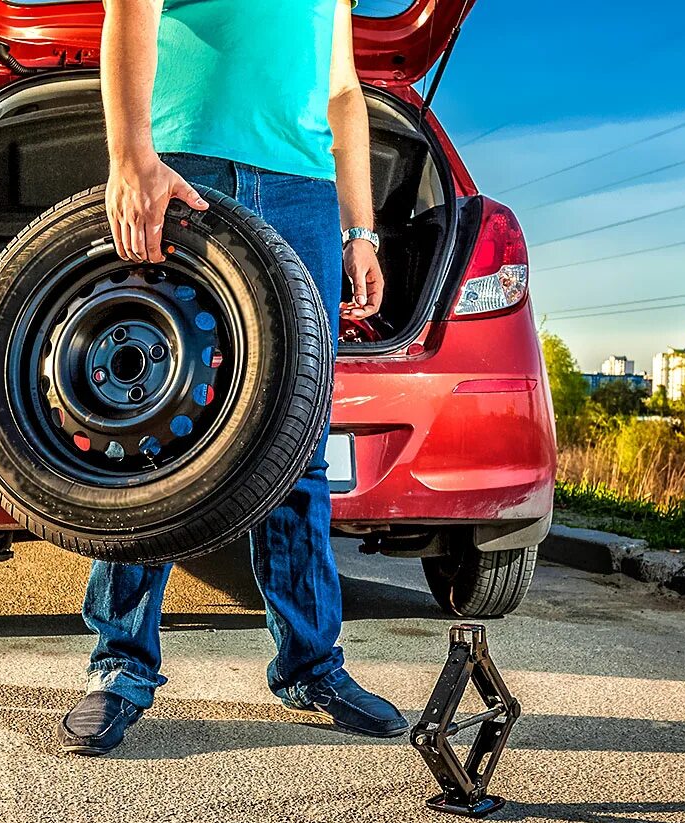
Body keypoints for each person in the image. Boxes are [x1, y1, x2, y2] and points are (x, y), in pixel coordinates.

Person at [58, 0, 409, 755]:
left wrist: (359, 230)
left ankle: (312, 667)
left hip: (305, 194)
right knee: (152, 434)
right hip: (185, 169)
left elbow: (344, 91)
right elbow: (131, 12)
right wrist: (130, 159)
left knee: (296, 445)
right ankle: (119, 667)